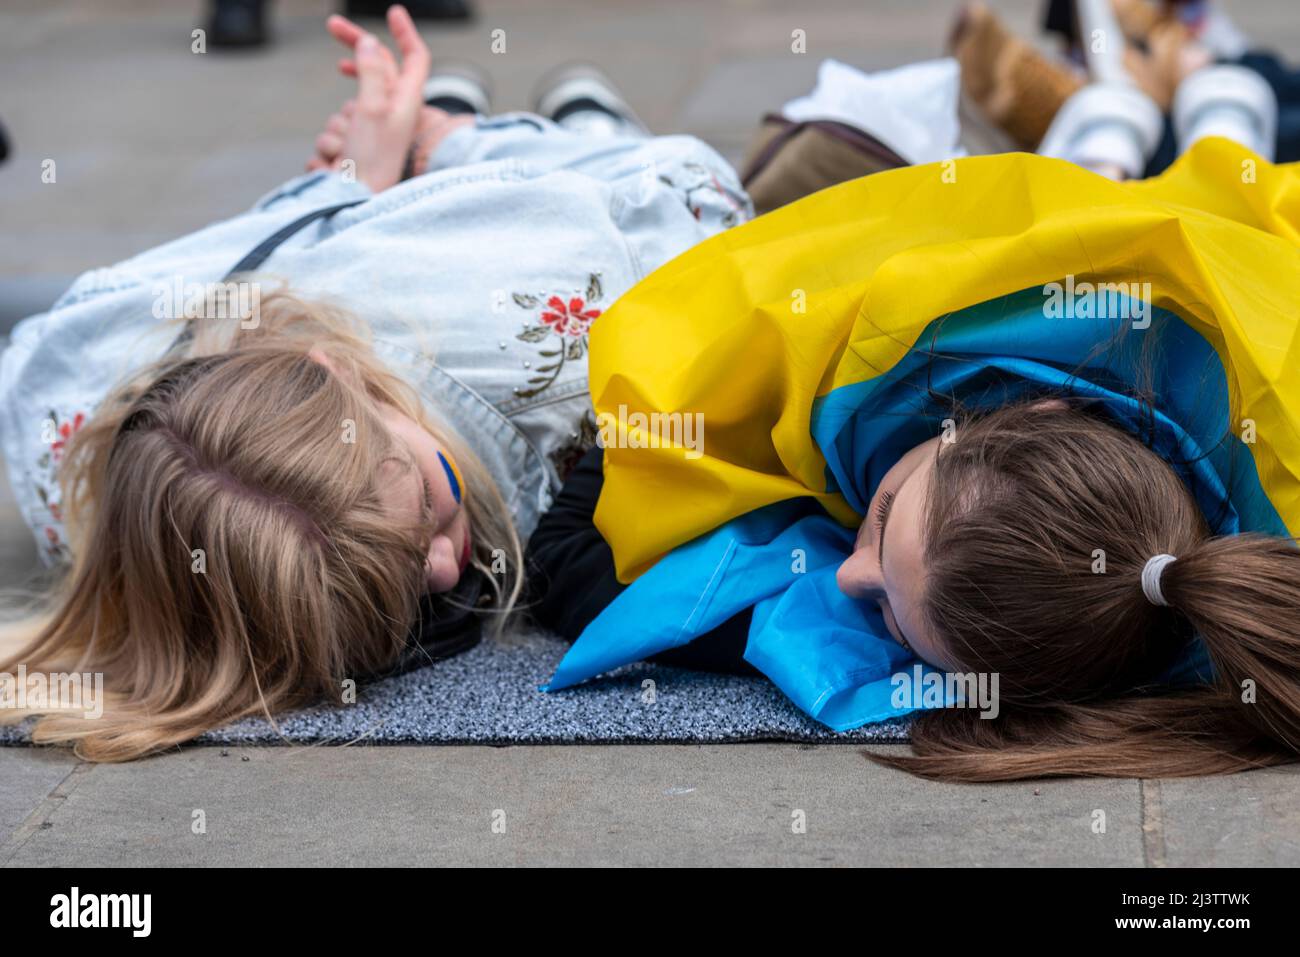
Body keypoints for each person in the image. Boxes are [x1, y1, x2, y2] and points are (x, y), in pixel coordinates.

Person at [0, 5, 749, 761]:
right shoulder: (72, 446)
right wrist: (342, 189)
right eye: (394, 600)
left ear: (344, 374)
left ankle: (522, 118)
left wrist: (438, 151)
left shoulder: (564, 314)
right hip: (340, 254)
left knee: (599, 150)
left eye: (426, 502)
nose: (449, 567)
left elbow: (704, 199)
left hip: (527, 222)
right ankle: (449, 125)